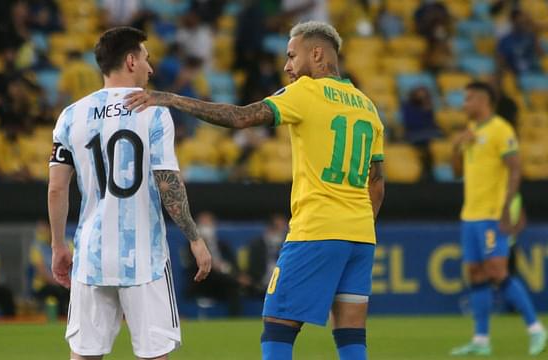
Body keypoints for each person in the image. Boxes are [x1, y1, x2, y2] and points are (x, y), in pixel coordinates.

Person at [126, 21, 385, 360]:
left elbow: (239, 117)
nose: (287, 66)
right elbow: (376, 182)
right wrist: (358, 225)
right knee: (351, 336)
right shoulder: (367, 106)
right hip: (361, 236)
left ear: (317, 53)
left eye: (292, 56)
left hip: (317, 228)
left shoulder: (307, 92)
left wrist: (171, 99)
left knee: (277, 327)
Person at [47, 27, 211, 360]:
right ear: (131, 60)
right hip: (143, 256)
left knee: (85, 354)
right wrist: (194, 237)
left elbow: (56, 188)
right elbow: (167, 182)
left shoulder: (71, 115)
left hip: (91, 253)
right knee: (154, 354)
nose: (151, 69)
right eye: (147, 60)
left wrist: (58, 245)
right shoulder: (153, 111)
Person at [449, 82, 546, 356]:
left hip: (492, 214)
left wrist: (507, 206)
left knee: (497, 271)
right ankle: (481, 340)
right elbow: (457, 173)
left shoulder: (500, 130)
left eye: (468, 99)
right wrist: (457, 146)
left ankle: (536, 328)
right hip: (470, 215)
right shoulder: (471, 132)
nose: (464, 104)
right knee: (476, 274)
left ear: (483, 101)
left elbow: (515, 169)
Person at [29, 221, 69, 316]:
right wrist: (59, 282)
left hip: (65, 282)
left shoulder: (67, 244)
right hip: (43, 285)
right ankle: (61, 319)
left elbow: (73, 264)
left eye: (44, 231)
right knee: (59, 291)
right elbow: (42, 272)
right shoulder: (37, 247)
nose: (42, 234)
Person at [245, 214, 288, 296]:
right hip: (261, 284)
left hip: (284, 282)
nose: (282, 232)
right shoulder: (257, 244)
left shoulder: (288, 245)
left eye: (284, 228)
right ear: (270, 228)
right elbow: (253, 268)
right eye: (277, 228)